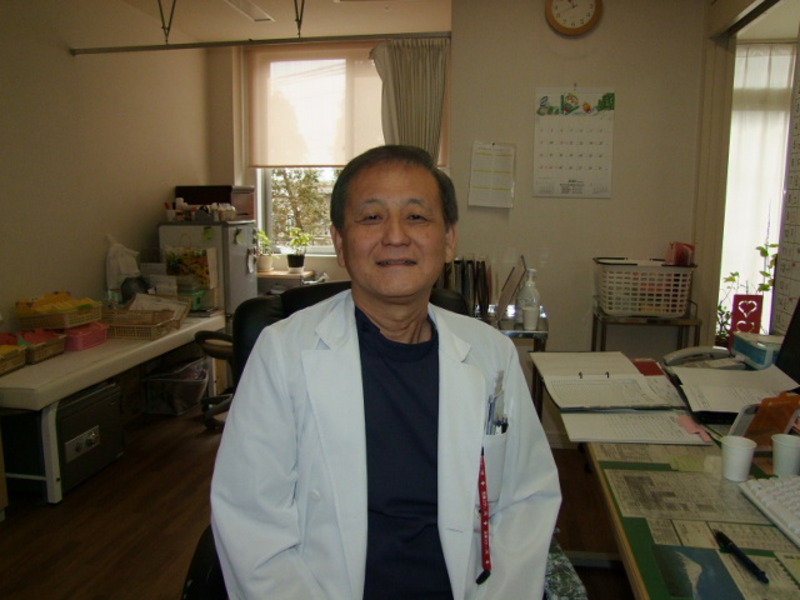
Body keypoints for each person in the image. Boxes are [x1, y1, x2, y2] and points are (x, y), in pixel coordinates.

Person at [210, 145, 561, 599]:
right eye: (372, 217)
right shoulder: (283, 353)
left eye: (416, 217)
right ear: (340, 242)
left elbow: (527, 499)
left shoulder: (491, 353)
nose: (395, 236)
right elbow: (251, 522)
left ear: (449, 239)